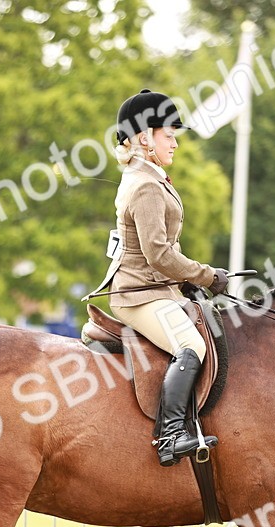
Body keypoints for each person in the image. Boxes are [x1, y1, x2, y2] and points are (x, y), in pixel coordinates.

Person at [87, 89, 229, 467]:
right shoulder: (146, 185)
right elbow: (159, 254)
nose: (176, 142)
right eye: (169, 134)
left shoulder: (150, 178)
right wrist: (208, 275)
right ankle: (170, 434)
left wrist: (188, 283)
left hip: (156, 289)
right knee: (192, 346)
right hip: (140, 296)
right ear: (145, 137)